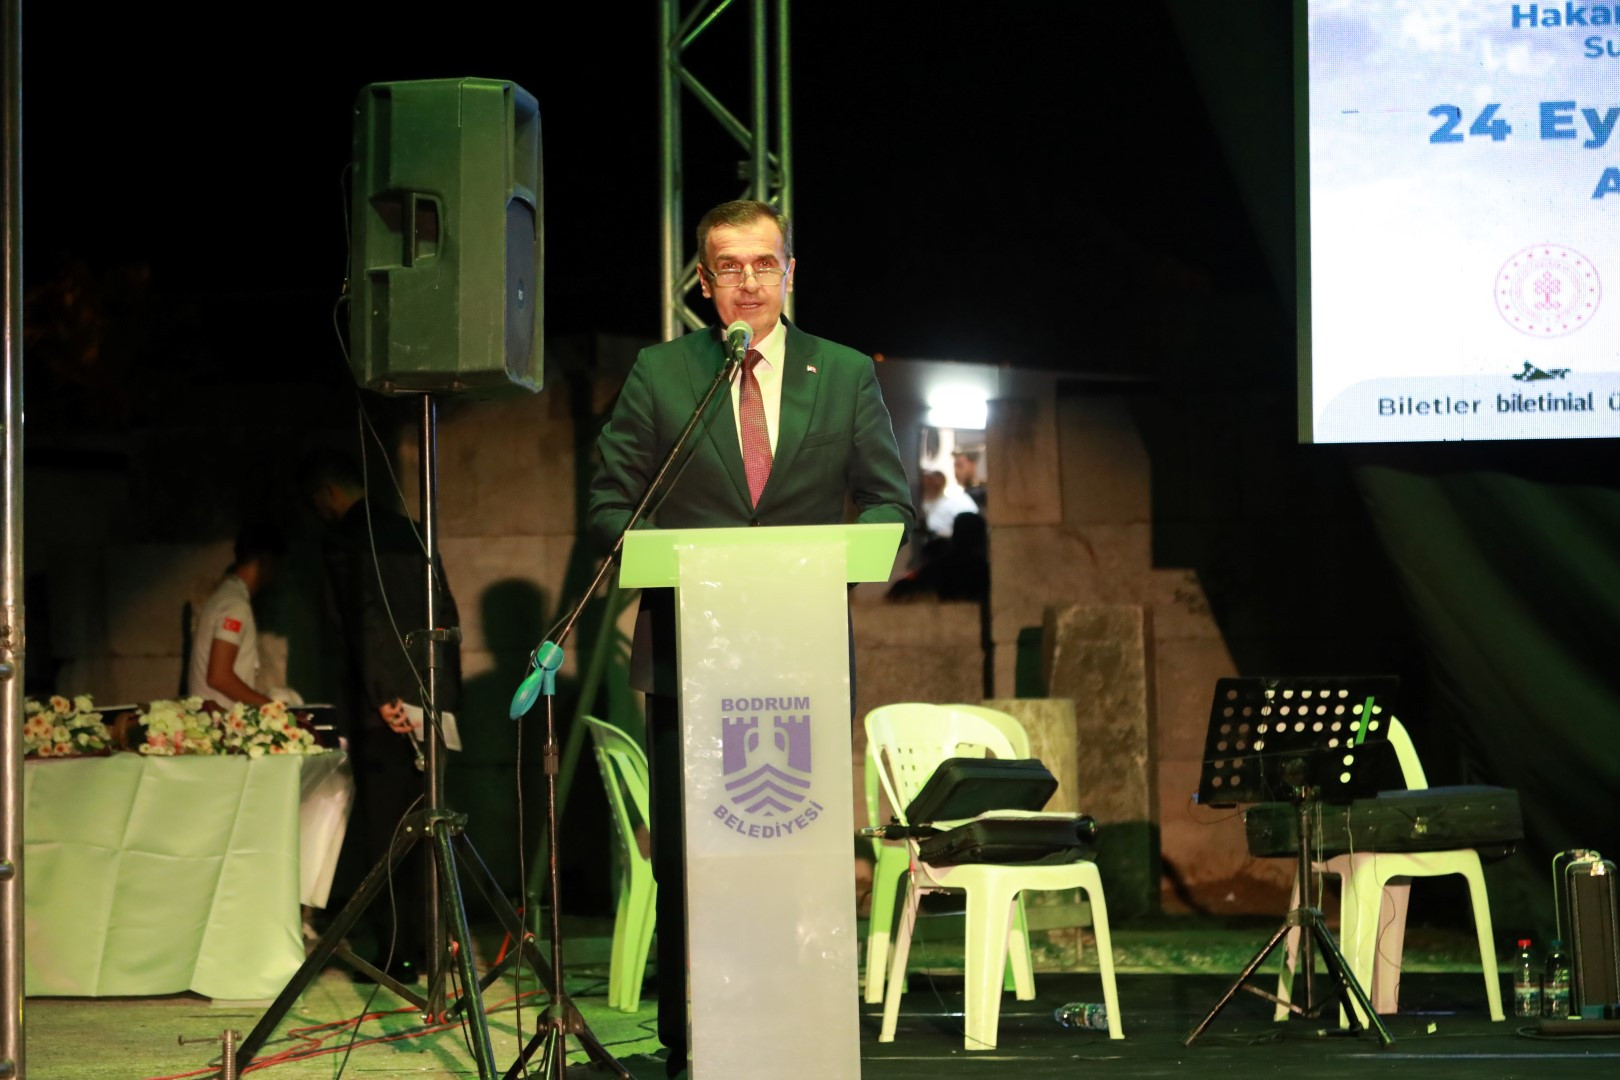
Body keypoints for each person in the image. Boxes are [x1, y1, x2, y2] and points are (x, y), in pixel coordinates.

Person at [587, 199, 914, 1078]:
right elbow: (610, 500)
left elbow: (889, 499)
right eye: (728, 266)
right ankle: (687, 1038)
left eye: (764, 264)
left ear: (790, 273)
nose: (748, 282)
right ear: (703, 281)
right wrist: (671, 563)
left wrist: (819, 571)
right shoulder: (663, 374)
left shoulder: (842, 373)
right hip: (687, 658)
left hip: (801, 659)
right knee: (693, 859)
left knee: (796, 853)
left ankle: (801, 1030)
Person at [299, 447, 462, 983]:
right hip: (431, 701)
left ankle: (398, 953)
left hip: (382, 710)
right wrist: (439, 694)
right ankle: (434, 947)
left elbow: (361, 621)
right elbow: (445, 612)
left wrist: (383, 693)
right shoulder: (414, 532)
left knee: (387, 836)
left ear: (327, 494)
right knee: (429, 826)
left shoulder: (346, 540)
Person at [187, 521, 287, 707]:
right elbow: (219, 676)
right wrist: (273, 709)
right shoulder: (235, 605)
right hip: (218, 719)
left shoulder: (224, 597)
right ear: (266, 561)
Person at [919, 468, 980, 540]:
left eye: (936, 476)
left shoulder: (959, 501)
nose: (932, 481)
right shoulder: (915, 506)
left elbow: (972, 531)